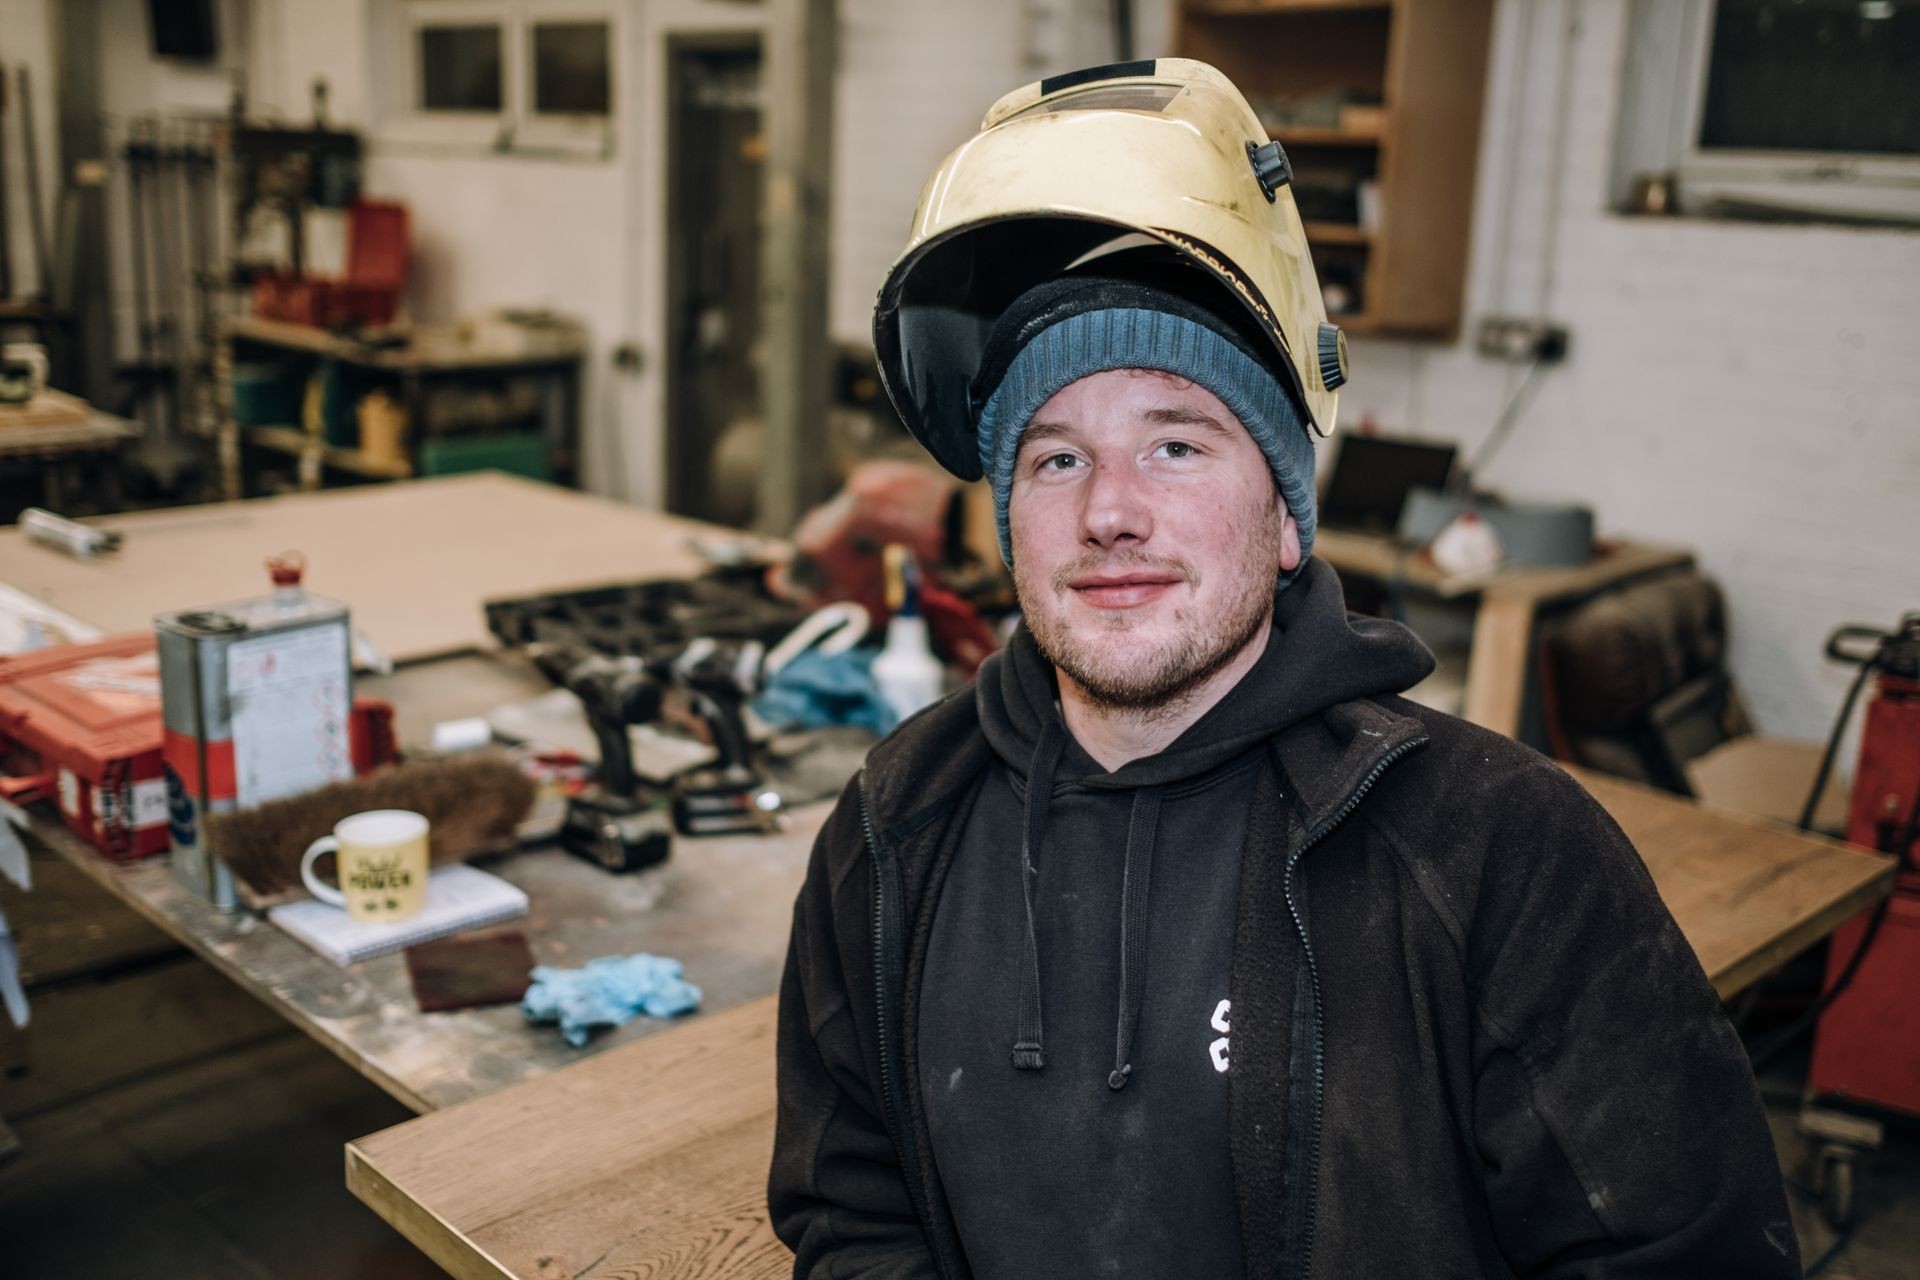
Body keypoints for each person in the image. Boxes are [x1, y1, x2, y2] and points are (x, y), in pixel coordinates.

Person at [768, 59, 1798, 1278]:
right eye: (1053, 460)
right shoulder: (898, 822)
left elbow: (1686, 1256)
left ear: (1288, 518)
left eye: (1177, 443)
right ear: (1007, 526)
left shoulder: (1498, 850)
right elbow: (851, 1212)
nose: (1109, 512)